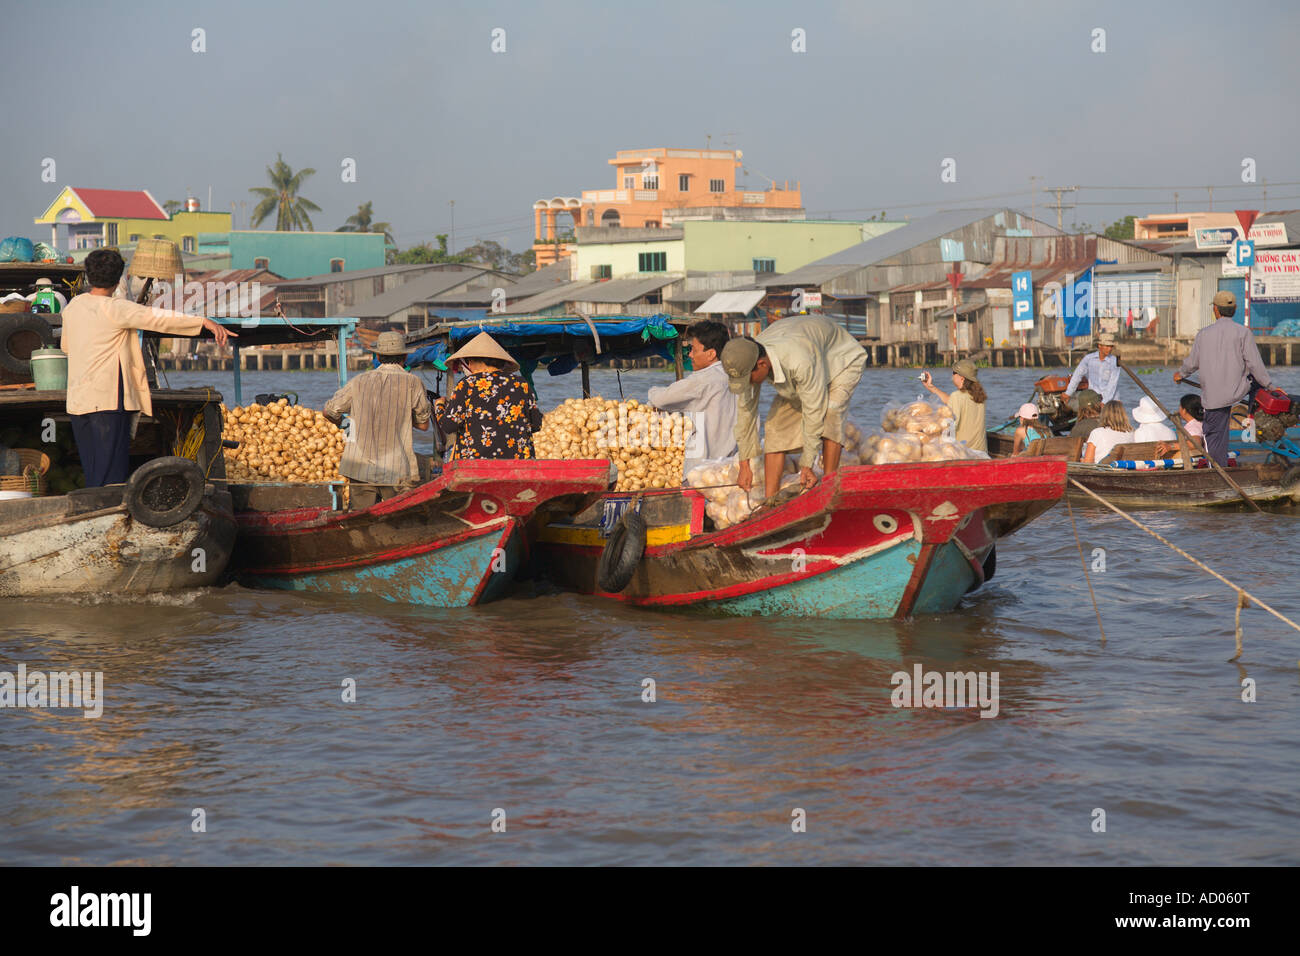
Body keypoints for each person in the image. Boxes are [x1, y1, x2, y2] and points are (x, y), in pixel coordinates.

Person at [62, 248, 235, 488]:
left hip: (79, 401)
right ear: (116, 280)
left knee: (93, 472)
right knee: (112, 476)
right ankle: (109, 517)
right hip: (107, 402)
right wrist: (203, 321)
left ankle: (97, 514)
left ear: (89, 276)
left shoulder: (73, 307)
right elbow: (159, 318)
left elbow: (67, 347)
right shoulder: (116, 308)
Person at [721, 314, 867, 499]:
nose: (747, 384)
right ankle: (770, 501)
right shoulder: (748, 356)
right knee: (775, 427)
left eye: (748, 379)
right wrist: (744, 465)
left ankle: (830, 490)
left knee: (830, 412)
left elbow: (814, 411)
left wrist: (807, 465)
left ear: (762, 364)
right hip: (806, 356)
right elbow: (745, 413)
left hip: (841, 360)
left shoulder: (799, 361)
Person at [324, 330, 431, 509]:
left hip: (359, 465)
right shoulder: (413, 382)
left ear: (378, 356)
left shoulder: (359, 381)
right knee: (396, 518)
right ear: (404, 357)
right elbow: (423, 425)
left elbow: (329, 412)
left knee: (360, 519)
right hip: (395, 468)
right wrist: (403, 416)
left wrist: (348, 426)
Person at [1174, 290, 1282, 466]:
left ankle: (1218, 471)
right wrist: (1270, 387)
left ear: (1215, 310)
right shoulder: (1243, 332)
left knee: (1213, 437)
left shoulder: (1204, 334)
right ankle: (1251, 417)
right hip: (1238, 391)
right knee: (1255, 383)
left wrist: (1181, 374)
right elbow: (1256, 365)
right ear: (1235, 309)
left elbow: (1192, 363)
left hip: (1215, 399)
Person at [433, 331, 542, 463]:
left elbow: (448, 425)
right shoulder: (521, 383)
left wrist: (439, 406)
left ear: (471, 360)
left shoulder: (467, 384)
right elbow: (536, 424)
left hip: (476, 464)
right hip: (519, 463)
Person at [647, 320, 737, 472]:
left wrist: (652, 391)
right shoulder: (735, 376)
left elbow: (660, 399)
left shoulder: (703, 379)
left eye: (694, 350)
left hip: (703, 469)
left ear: (711, 354)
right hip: (732, 465)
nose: (690, 354)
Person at [920, 358, 987, 452]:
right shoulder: (979, 396)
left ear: (962, 378)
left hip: (964, 453)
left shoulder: (957, 396)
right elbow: (949, 400)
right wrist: (931, 386)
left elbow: (949, 426)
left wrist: (925, 428)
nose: (952, 376)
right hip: (981, 452)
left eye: (953, 373)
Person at [1063, 332, 1120, 405]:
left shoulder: (1115, 361)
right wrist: (1068, 393)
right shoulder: (1088, 359)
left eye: (1111, 346)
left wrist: (1104, 402)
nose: (1109, 349)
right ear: (1100, 346)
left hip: (1111, 399)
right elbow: (1077, 375)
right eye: (1107, 346)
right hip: (1093, 397)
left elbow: (1112, 384)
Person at [1155, 394, 1206, 459]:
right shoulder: (1202, 422)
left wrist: (1171, 446)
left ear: (1184, 410)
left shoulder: (1192, 427)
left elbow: (1195, 443)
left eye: (1180, 406)